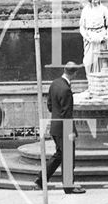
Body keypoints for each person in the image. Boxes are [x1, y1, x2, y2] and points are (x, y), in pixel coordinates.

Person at [36, 62, 86, 194]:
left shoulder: (55, 83)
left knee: (59, 155)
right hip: (64, 129)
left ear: (64, 70)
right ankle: (69, 187)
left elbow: (50, 105)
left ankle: (41, 180)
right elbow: (67, 114)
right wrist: (72, 132)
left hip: (55, 127)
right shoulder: (66, 90)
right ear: (74, 73)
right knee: (68, 157)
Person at [79, 0, 108, 75]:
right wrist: (87, 37)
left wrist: (107, 36)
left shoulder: (104, 9)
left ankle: (101, 83)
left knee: (103, 61)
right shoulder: (85, 10)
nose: (95, 1)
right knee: (88, 62)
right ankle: (91, 81)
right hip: (90, 38)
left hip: (101, 36)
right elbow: (82, 27)